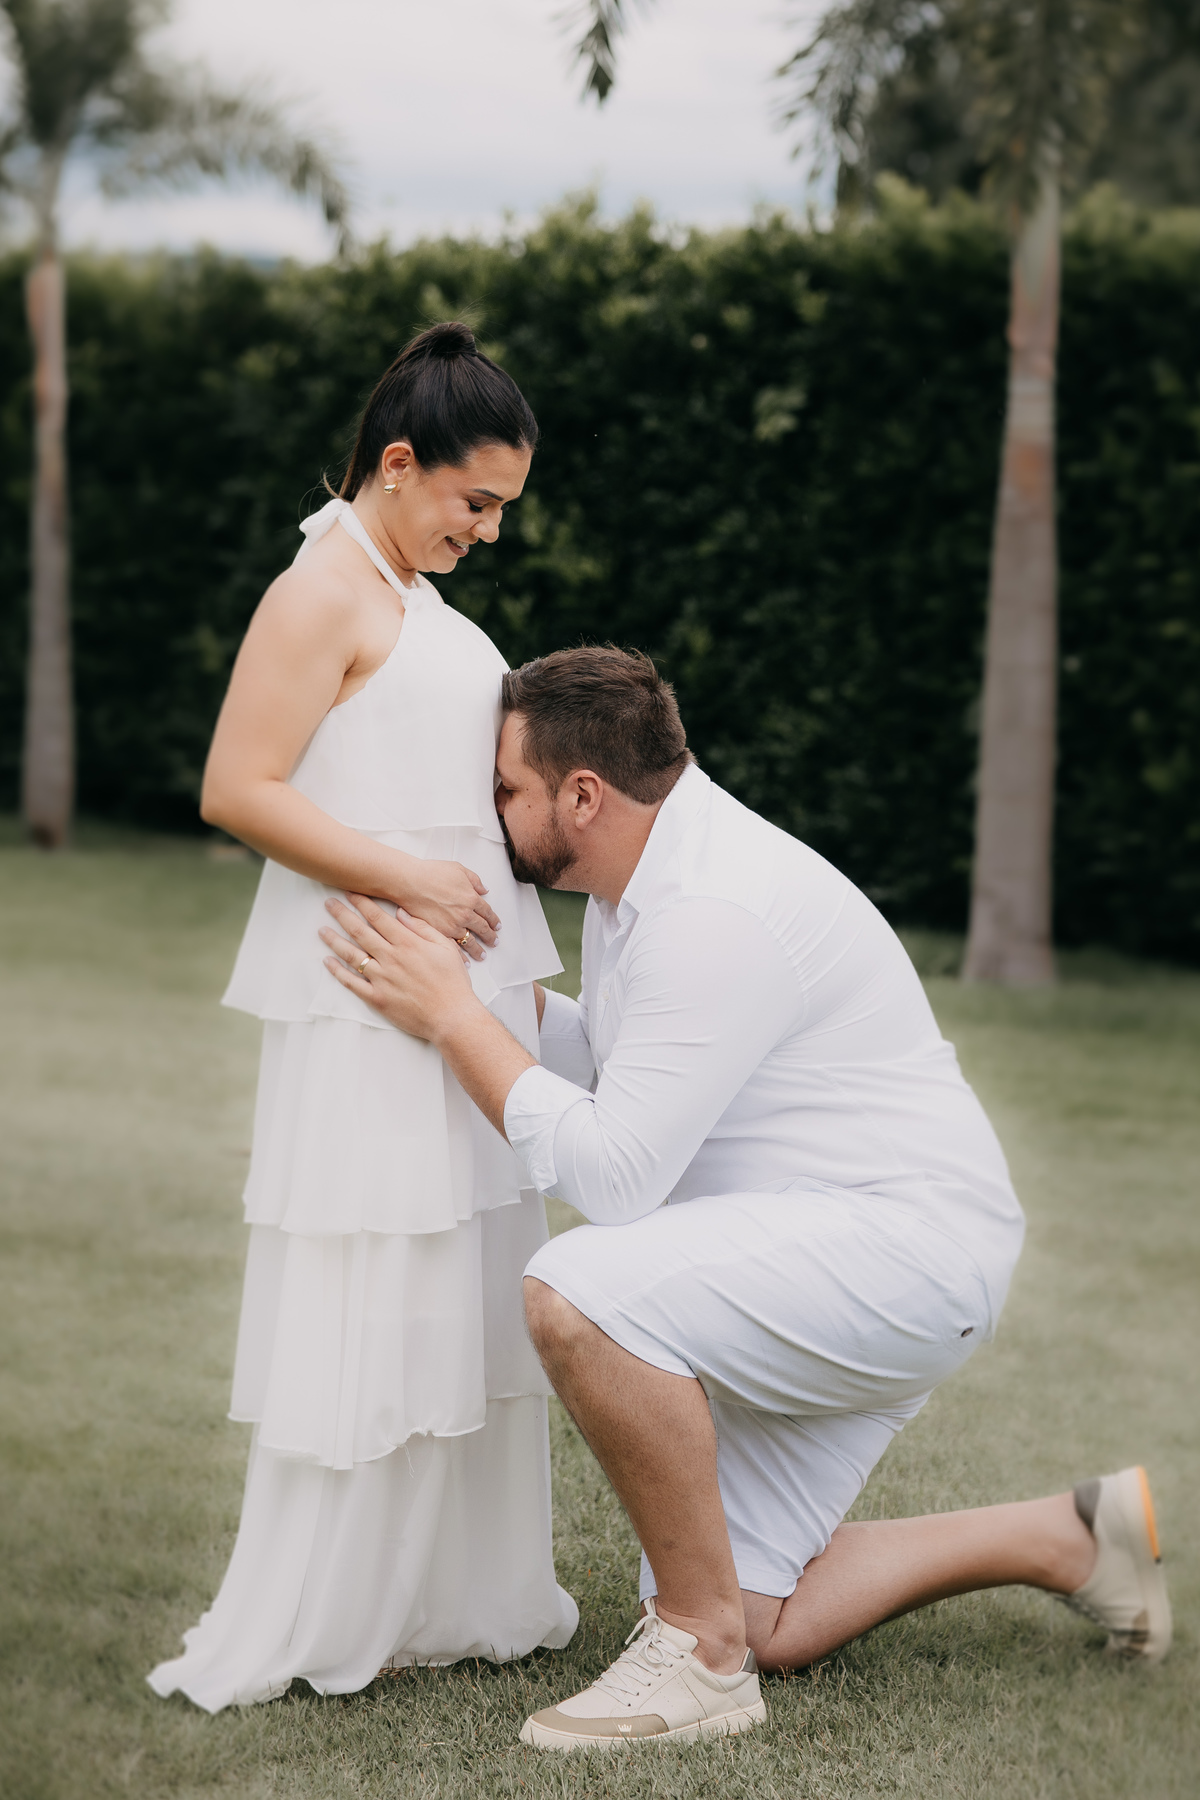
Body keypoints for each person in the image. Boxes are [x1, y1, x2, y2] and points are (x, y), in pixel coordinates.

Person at [319, 645, 1173, 1750]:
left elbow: (617, 1176)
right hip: (829, 1249)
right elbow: (623, 1067)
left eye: (505, 789)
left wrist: (453, 1019)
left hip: (900, 1254)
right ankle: (1076, 1537)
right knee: (767, 1615)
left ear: (583, 796)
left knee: (577, 1294)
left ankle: (698, 1659)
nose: (491, 813)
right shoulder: (644, 884)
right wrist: (474, 994)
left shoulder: (712, 909)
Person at [147, 325, 578, 1714]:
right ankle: (337, 1602)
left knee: (460, 1281)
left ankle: (451, 1592)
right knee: (378, 1277)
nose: (490, 530)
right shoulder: (320, 591)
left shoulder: (412, 592)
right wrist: (409, 880)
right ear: (399, 464)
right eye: (475, 501)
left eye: (502, 507)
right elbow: (237, 786)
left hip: (457, 997)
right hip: (374, 996)